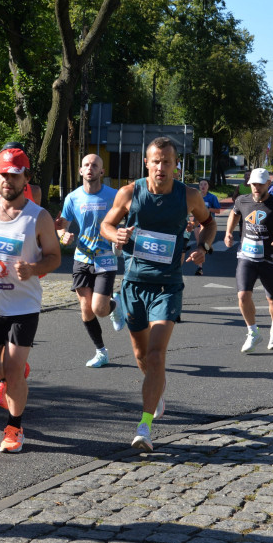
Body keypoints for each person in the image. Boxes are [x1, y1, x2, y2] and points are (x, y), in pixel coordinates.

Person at [100, 137, 216, 452]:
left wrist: (203, 247)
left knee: (155, 355)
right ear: (147, 163)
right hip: (134, 284)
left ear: (176, 165)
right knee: (141, 356)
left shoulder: (189, 196)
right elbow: (106, 225)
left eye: (167, 161)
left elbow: (209, 223)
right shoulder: (129, 192)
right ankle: (157, 391)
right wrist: (117, 233)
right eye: (156, 161)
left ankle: (145, 426)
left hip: (168, 285)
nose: (161, 167)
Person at [0, 147, 60, 453]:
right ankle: (14, 372)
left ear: (25, 179)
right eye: (3, 174)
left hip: (23, 307)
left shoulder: (38, 217)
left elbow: (55, 256)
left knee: (14, 370)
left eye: (14, 175)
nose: (8, 180)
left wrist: (34, 269)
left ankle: (14, 427)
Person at [54, 154, 125, 368]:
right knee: (86, 308)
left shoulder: (114, 195)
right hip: (81, 257)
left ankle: (115, 304)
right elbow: (61, 225)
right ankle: (101, 352)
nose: (90, 168)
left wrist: (123, 235)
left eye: (95, 165)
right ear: (80, 171)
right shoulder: (72, 198)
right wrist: (62, 236)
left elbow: (129, 219)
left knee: (100, 309)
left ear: (102, 171)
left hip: (106, 257)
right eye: (86, 165)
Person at [224, 168, 273, 354]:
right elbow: (234, 214)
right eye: (253, 184)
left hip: (269, 259)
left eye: (260, 184)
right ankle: (253, 332)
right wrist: (228, 232)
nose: (256, 188)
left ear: (268, 184)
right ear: (249, 184)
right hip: (246, 256)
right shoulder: (242, 200)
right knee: (242, 295)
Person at [193, 178, 222, 276]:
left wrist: (208, 209)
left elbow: (218, 210)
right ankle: (200, 267)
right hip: (197, 222)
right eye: (201, 184)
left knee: (202, 243)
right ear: (199, 186)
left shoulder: (212, 197)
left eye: (205, 184)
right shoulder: (196, 197)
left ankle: (208, 245)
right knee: (199, 244)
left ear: (208, 186)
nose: (203, 186)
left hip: (208, 223)